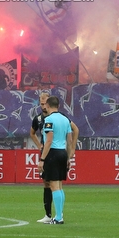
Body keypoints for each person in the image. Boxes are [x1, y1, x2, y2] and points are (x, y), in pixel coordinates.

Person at [38, 95, 79, 225]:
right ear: (59, 106)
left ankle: (58, 217)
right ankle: (59, 215)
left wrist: (42, 159)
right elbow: (70, 139)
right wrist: (68, 156)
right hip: (62, 153)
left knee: (53, 186)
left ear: (47, 106)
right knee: (59, 186)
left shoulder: (49, 120)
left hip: (53, 153)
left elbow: (49, 140)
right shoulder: (65, 119)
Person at [30, 91, 55, 223]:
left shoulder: (55, 117)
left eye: (45, 103)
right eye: (41, 103)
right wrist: (39, 145)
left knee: (55, 184)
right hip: (44, 151)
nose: (43, 106)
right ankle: (48, 215)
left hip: (55, 151)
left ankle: (58, 215)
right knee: (46, 183)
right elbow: (32, 133)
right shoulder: (38, 119)